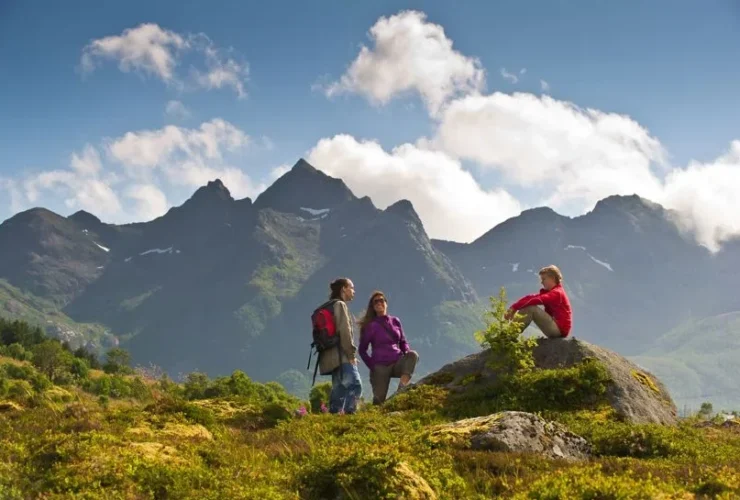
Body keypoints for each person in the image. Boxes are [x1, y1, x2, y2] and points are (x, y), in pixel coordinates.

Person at [358, 291, 419, 404]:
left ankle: (401, 389)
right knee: (379, 402)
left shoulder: (395, 321)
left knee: (413, 355)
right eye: (375, 302)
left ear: (386, 303)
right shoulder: (370, 326)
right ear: (373, 307)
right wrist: (372, 365)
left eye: (381, 300)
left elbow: (402, 341)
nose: (379, 303)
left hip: (397, 362)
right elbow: (362, 350)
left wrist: (406, 351)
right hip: (380, 366)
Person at [317, 278, 362, 414]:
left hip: (330, 357)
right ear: (343, 288)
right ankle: (350, 416)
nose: (354, 291)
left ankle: (334, 418)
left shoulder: (328, 306)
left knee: (339, 390)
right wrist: (351, 355)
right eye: (351, 287)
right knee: (355, 384)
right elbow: (345, 332)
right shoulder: (340, 305)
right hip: (342, 356)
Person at [505, 265, 572, 338]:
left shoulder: (557, 293)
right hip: (556, 327)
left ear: (552, 278)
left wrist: (514, 308)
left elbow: (537, 300)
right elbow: (530, 297)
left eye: (544, 279)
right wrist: (513, 307)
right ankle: (509, 334)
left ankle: (509, 335)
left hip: (559, 330)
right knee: (529, 305)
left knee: (531, 308)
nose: (541, 282)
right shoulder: (553, 292)